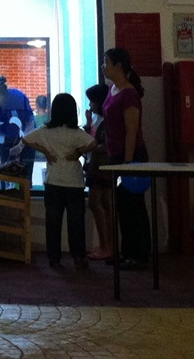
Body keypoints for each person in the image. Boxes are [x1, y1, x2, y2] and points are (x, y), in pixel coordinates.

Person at [23, 93, 95, 270]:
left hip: (53, 181)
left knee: (53, 222)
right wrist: (78, 153)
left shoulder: (45, 131)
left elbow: (26, 139)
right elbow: (93, 143)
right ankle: (78, 257)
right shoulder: (76, 133)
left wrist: (46, 152)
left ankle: (54, 258)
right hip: (74, 182)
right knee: (76, 222)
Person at [103, 47, 150, 269]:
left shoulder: (129, 94)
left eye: (107, 62)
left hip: (130, 157)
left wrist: (128, 164)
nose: (104, 66)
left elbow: (131, 130)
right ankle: (127, 251)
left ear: (118, 65)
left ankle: (139, 255)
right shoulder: (112, 89)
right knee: (122, 205)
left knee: (134, 206)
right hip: (116, 157)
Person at [84, 82, 114, 261]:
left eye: (92, 101)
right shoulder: (101, 119)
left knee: (95, 203)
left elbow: (106, 144)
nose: (90, 105)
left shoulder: (106, 120)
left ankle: (105, 245)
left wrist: (90, 148)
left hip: (100, 166)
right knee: (106, 204)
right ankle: (108, 245)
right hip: (102, 166)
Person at [0, 76, 35, 170]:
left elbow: (30, 124)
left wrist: (21, 145)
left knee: (25, 175)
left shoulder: (18, 98)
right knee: (6, 173)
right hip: (5, 143)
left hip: (25, 140)